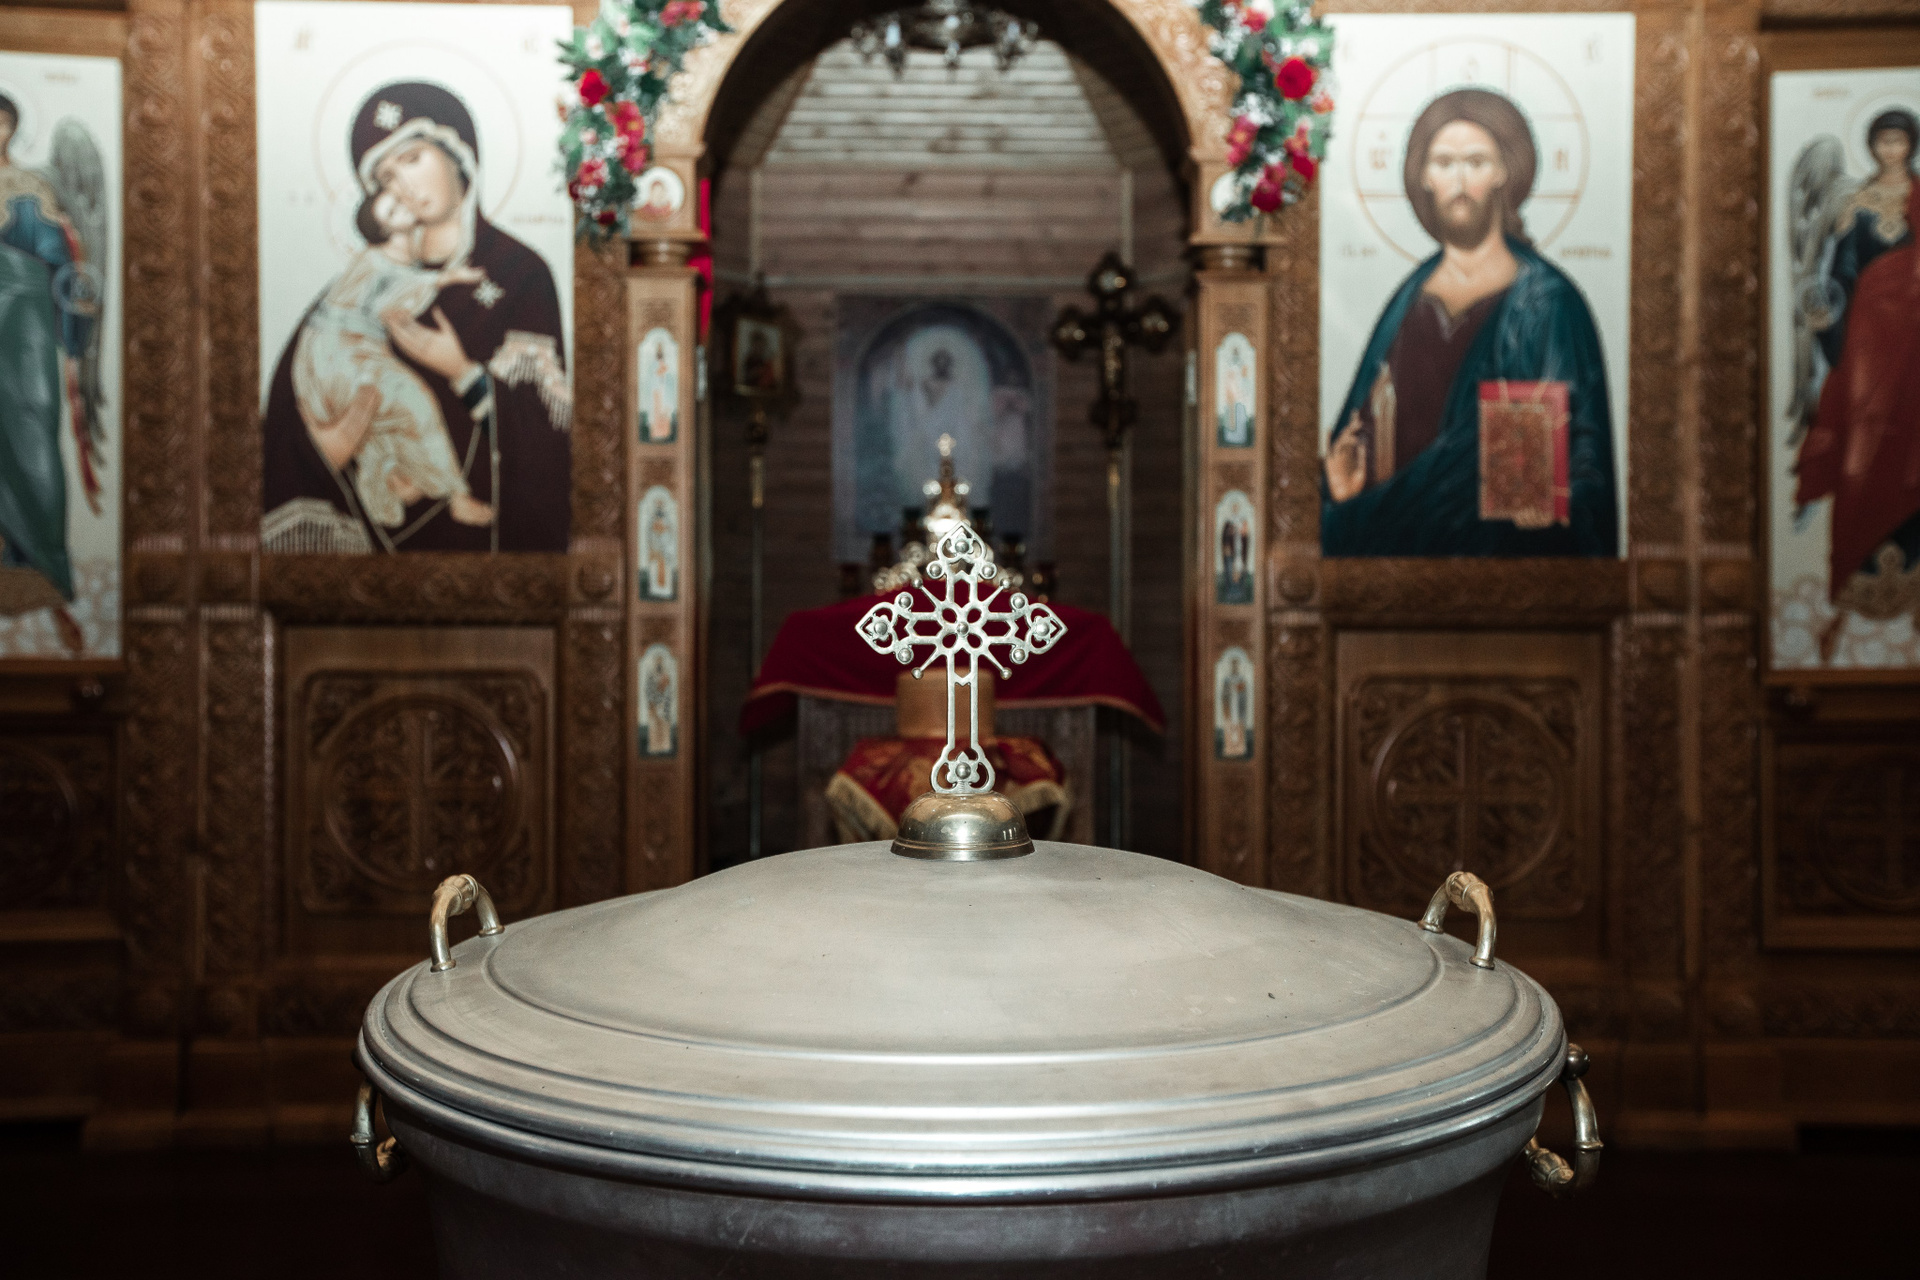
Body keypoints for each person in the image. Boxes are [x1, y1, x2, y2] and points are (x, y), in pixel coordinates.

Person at [262, 81, 570, 553]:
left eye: (412, 159)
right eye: (386, 178)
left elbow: (545, 440)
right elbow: (288, 425)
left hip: (487, 561)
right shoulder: (355, 291)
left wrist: (462, 373)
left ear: (457, 153)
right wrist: (328, 448)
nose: (403, 186)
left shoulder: (519, 275)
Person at [1322, 88, 1617, 557]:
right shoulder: (1406, 300)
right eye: (1443, 163)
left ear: (1504, 172)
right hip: (1395, 566)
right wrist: (1343, 492)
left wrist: (1556, 502)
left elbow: (1585, 454)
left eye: (1476, 162)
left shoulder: (1547, 301)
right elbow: (1357, 438)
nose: (1459, 180)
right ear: (1424, 176)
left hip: (1504, 561)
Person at [1793, 109, 1920, 658]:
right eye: (1883, 141)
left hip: (1916, 354)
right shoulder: (1856, 204)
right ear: (1872, 147)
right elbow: (1841, 276)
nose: (1891, 150)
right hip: (1868, 352)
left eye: (1899, 141)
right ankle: (1847, 592)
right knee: (1858, 464)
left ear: (1911, 145)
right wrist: (1828, 321)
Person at [291, 188, 493, 530]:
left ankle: (387, 480)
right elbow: (390, 303)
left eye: (398, 200)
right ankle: (456, 497)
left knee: (382, 420)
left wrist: (445, 278)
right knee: (416, 401)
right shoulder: (376, 260)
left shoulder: (400, 256)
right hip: (336, 353)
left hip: (351, 350)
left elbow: (404, 288)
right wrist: (446, 278)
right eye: (393, 210)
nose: (403, 204)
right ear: (386, 230)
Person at [0, 92, 101, 653]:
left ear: (11, 127)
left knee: (31, 435)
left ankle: (39, 566)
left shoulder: (33, 187)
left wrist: (74, 331)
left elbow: (62, 264)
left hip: (24, 326)